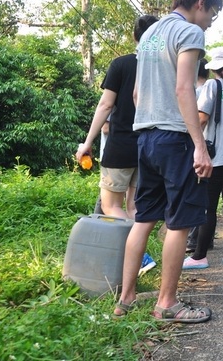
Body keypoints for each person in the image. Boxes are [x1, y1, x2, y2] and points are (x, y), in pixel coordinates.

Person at [112, 0, 222, 323]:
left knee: (143, 218)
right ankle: (167, 304)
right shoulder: (190, 32)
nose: (210, 21)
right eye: (213, 13)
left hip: (144, 137)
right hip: (175, 139)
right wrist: (199, 146)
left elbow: (134, 94)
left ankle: (125, 299)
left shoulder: (149, 34)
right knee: (179, 222)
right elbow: (184, 89)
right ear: (200, 3)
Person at [76, 15, 159, 276]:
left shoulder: (122, 64)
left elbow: (105, 105)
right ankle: (133, 261)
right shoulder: (161, 66)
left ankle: (142, 257)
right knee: (133, 207)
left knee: (111, 205)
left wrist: (87, 143)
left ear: (135, 36)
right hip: (147, 147)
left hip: (121, 144)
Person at [183, 47, 223, 269]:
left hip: (215, 158)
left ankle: (200, 256)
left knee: (208, 207)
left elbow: (201, 118)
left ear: (216, 68)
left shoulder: (212, 85)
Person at [187, 58, 210, 253]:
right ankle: (204, 238)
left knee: (193, 193)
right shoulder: (214, 89)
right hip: (210, 149)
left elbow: (200, 120)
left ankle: (194, 239)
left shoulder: (196, 92)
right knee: (204, 195)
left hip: (195, 147)